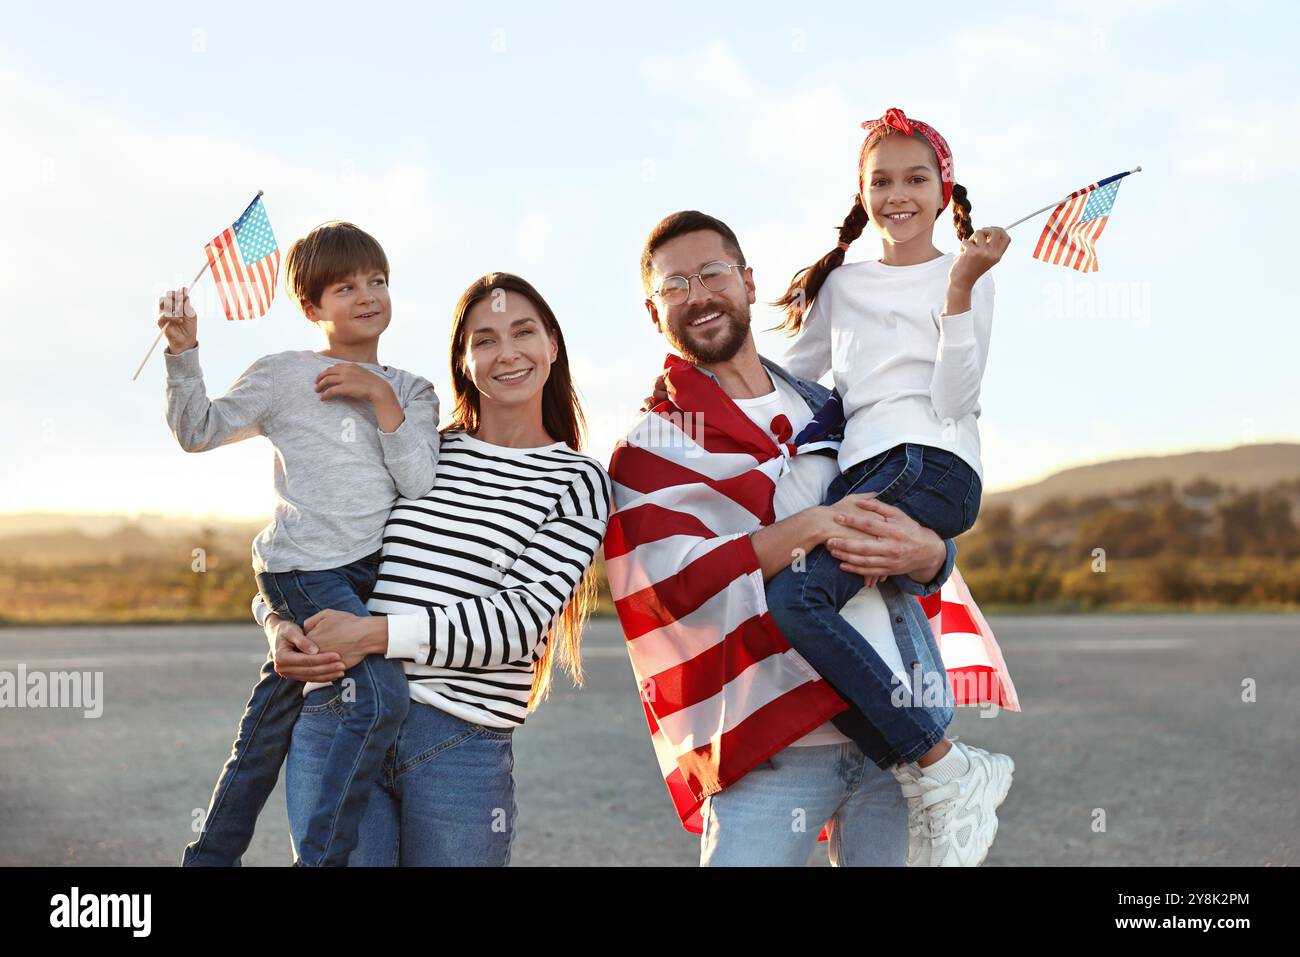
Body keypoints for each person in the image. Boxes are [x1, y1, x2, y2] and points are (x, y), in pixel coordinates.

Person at [607, 210, 961, 866]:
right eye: (674, 285)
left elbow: (912, 530)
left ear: (746, 281)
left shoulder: (832, 407)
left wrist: (933, 555)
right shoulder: (652, 447)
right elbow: (670, 586)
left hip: (890, 729)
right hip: (771, 749)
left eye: (712, 273)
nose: (699, 294)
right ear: (655, 314)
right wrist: (801, 529)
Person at [255, 272, 610, 865]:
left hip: (458, 742)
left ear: (552, 342)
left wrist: (374, 634)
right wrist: (274, 622)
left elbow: (517, 623)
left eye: (523, 332)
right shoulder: (416, 451)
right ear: (464, 361)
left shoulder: (576, 481)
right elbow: (307, 544)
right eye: (486, 339)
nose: (508, 352)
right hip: (338, 715)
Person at [764, 106, 1015, 865]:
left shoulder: (961, 271)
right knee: (834, 632)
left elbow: (955, 397)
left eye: (916, 178)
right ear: (861, 191)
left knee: (798, 598)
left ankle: (943, 767)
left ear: (945, 190)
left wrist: (963, 287)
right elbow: (794, 381)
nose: (898, 193)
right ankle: (935, 768)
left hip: (927, 461)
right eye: (881, 180)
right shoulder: (842, 284)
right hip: (866, 473)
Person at [159, 222, 440, 866]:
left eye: (378, 280)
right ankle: (323, 858)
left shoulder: (414, 390)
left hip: (369, 574)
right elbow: (199, 431)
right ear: (313, 308)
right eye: (345, 287)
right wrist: (183, 350)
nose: (367, 295)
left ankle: (208, 858)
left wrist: (378, 397)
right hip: (304, 567)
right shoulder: (284, 374)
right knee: (378, 698)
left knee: (264, 734)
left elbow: (419, 481)